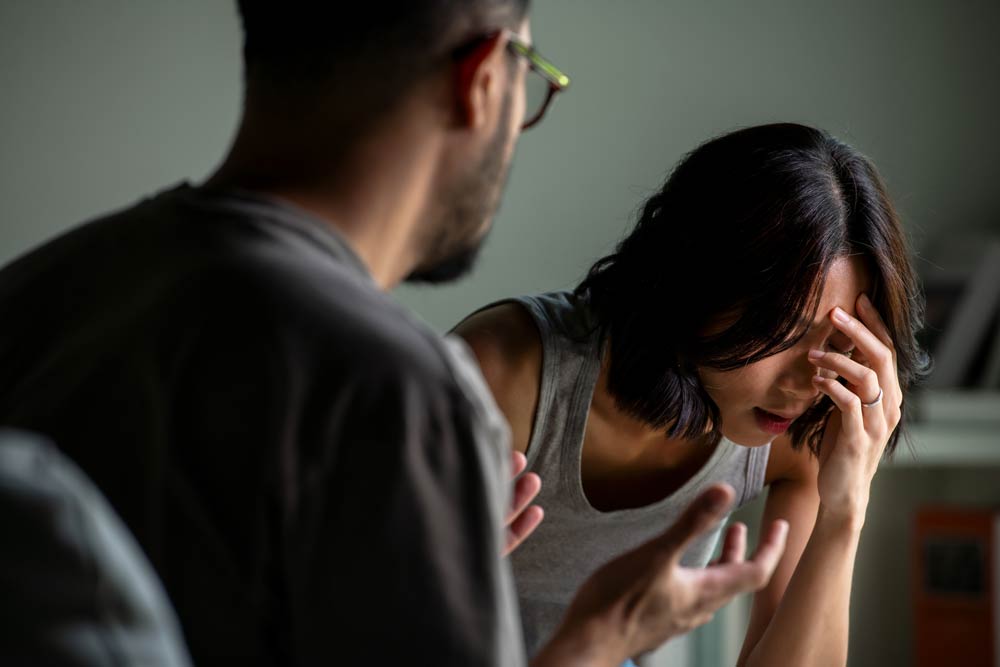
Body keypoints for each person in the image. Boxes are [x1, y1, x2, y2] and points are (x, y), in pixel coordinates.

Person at [0, 3, 787, 665]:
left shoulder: (34, 291)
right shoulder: (396, 393)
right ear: (482, 79)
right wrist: (600, 636)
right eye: (532, 82)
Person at [455, 123, 928, 665]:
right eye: (784, 334)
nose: (804, 383)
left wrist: (845, 511)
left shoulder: (799, 429)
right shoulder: (505, 374)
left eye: (838, 346)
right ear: (696, 283)